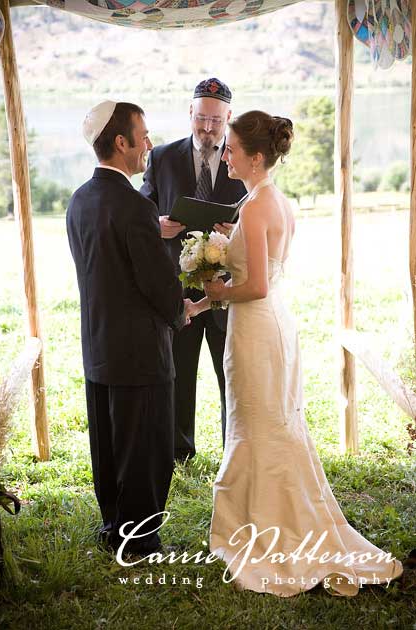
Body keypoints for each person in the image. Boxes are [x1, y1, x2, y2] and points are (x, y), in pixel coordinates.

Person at [187, 111, 403, 596]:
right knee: (268, 419)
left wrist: (216, 293)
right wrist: (218, 266)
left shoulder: (258, 205)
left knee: (260, 423)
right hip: (272, 325)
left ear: (256, 157)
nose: (226, 154)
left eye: (233, 149)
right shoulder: (268, 200)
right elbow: (264, 265)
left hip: (258, 326)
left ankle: (271, 530)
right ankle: (267, 515)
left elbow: (256, 285)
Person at [67, 101, 188, 555]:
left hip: (98, 348)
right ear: (122, 143)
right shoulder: (137, 207)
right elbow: (158, 284)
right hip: (140, 353)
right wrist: (181, 311)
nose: (150, 145)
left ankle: (113, 525)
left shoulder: (79, 199)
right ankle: (139, 540)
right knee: (146, 448)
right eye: (144, 135)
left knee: (108, 445)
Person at [140, 78, 246, 462]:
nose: (207, 128)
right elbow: (140, 210)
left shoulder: (242, 157)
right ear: (190, 113)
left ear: (228, 117)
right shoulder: (162, 157)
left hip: (228, 287)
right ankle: (180, 451)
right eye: (201, 119)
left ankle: (231, 449)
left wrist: (239, 231)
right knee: (179, 377)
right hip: (178, 290)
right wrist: (157, 223)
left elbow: (255, 214)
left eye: (216, 122)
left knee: (229, 376)